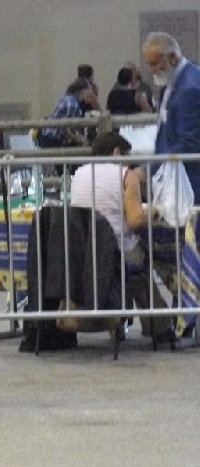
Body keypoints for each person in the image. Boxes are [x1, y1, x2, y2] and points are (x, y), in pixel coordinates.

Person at [69, 131, 173, 340]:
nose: (129, 164)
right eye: (127, 157)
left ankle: (116, 325)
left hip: (86, 251)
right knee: (146, 261)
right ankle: (159, 326)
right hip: (117, 248)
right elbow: (134, 220)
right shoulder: (126, 176)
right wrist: (153, 211)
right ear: (117, 152)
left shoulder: (79, 173)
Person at [142, 31, 200, 203]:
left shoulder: (189, 88)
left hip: (189, 178)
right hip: (175, 175)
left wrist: (149, 169)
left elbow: (188, 143)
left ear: (173, 57)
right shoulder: (173, 82)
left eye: (154, 64)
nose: (151, 70)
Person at [37, 78, 94, 151]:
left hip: (49, 135)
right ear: (82, 92)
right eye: (88, 93)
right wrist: (80, 140)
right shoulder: (72, 104)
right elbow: (66, 127)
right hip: (54, 138)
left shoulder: (67, 99)